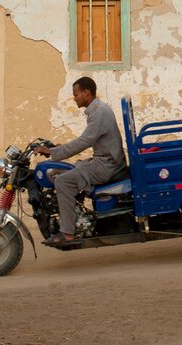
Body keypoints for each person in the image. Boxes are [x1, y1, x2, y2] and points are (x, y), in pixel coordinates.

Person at [35, 77, 127, 246]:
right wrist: (56, 148)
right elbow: (86, 140)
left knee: (62, 181)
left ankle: (68, 233)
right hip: (106, 161)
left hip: (107, 165)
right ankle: (77, 216)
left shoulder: (99, 113)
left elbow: (84, 141)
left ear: (87, 93)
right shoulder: (97, 110)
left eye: (76, 94)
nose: (75, 98)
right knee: (70, 168)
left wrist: (53, 152)